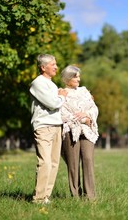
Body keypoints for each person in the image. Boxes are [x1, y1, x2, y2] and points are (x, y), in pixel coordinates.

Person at [29, 54, 68, 205]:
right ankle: (38, 198)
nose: (56, 67)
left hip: (56, 125)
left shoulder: (51, 84)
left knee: (54, 162)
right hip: (43, 126)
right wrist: (62, 96)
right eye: (53, 64)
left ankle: (46, 196)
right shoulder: (37, 83)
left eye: (56, 64)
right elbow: (53, 103)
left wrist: (60, 95)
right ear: (43, 67)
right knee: (44, 162)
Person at [60, 65, 99, 200]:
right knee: (73, 163)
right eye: (75, 76)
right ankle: (75, 195)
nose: (78, 79)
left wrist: (88, 116)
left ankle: (90, 196)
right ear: (67, 78)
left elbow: (93, 108)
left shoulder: (84, 92)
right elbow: (62, 113)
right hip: (70, 130)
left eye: (78, 76)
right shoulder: (61, 93)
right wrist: (82, 118)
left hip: (87, 130)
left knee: (88, 160)